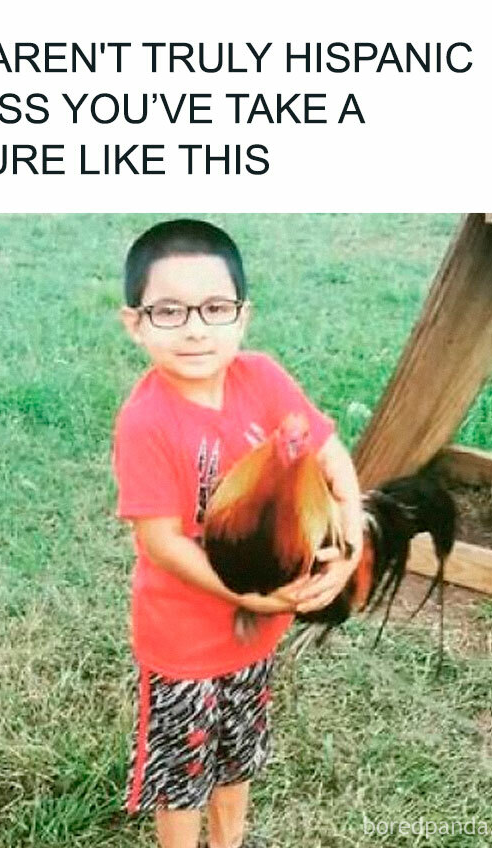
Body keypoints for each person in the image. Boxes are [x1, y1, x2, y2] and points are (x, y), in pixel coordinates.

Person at [112, 219, 364, 848]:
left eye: (215, 307)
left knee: (236, 756)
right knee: (181, 774)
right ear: (134, 322)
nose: (195, 326)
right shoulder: (146, 422)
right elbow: (160, 541)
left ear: (242, 317)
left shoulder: (264, 379)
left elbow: (330, 453)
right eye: (168, 310)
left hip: (257, 634)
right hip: (183, 642)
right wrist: (244, 595)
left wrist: (351, 538)